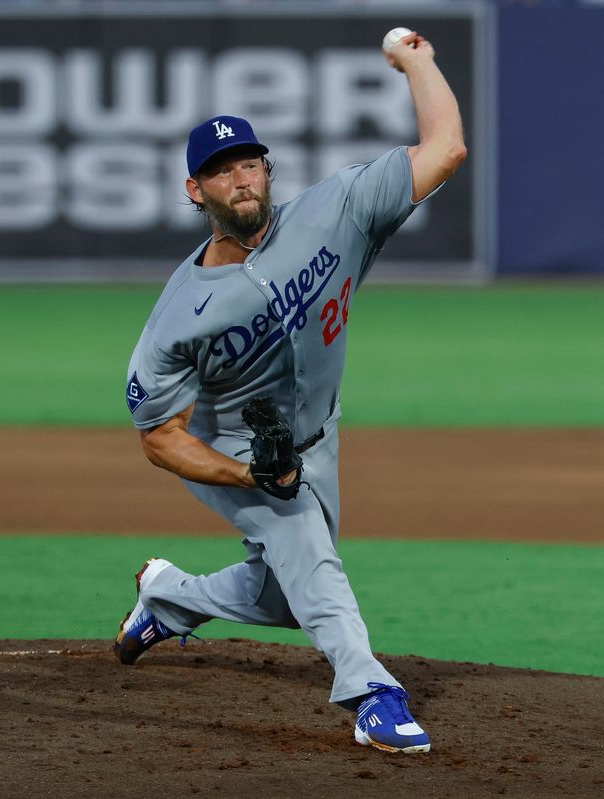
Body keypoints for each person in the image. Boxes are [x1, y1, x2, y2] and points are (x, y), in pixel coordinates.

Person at [117, 29, 466, 755]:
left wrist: (418, 61)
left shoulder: (335, 211)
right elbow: (160, 436)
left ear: (267, 170)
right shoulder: (179, 316)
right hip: (236, 447)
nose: (240, 178)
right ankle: (372, 692)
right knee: (303, 544)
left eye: (249, 162)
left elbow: (445, 149)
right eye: (220, 171)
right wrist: (248, 474)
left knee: (281, 595)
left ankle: (169, 596)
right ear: (195, 191)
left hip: (320, 432)